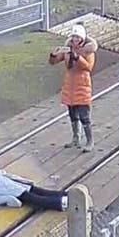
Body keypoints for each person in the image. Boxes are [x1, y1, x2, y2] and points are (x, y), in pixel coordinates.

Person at [48, 24, 98, 153]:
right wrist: (54, 55)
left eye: (77, 37)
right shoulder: (68, 49)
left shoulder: (88, 51)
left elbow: (88, 67)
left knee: (84, 115)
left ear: (82, 38)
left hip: (82, 85)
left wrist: (78, 57)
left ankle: (89, 141)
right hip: (70, 85)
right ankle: (76, 138)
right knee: (72, 114)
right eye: (73, 36)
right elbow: (53, 62)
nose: (75, 39)